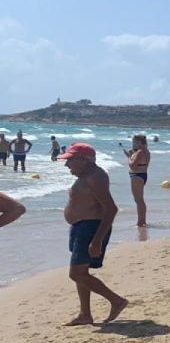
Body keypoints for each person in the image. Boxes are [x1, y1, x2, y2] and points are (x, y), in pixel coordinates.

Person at [57, 143, 128, 326]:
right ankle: (85, 314)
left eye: (71, 160)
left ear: (85, 160)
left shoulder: (95, 177)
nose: (67, 165)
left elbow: (111, 209)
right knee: (81, 272)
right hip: (81, 227)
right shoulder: (86, 175)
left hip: (90, 228)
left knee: (76, 274)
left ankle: (116, 301)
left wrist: (97, 240)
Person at [122, 134, 151, 226]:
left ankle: (141, 221)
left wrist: (129, 157)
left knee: (138, 200)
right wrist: (132, 155)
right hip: (142, 174)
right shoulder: (146, 151)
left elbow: (133, 166)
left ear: (139, 142)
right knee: (139, 199)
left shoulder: (140, 152)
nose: (133, 144)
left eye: (134, 142)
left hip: (137, 175)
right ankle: (142, 220)